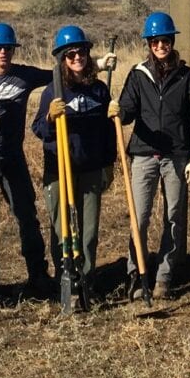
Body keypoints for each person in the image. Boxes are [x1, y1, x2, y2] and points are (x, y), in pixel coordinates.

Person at [115, 11, 190, 301]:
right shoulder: (138, 75)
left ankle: (165, 275)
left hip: (177, 156)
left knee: (174, 216)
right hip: (143, 155)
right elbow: (127, 112)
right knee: (139, 217)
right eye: (155, 41)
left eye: (165, 40)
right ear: (149, 44)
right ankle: (135, 273)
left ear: (171, 41)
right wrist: (117, 111)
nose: (160, 46)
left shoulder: (186, 75)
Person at [31, 24, 116, 308]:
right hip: (60, 169)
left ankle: (87, 278)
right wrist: (50, 118)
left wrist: (109, 164)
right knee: (62, 227)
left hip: (91, 168)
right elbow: (38, 130)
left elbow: (107, 132)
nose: (77, 58)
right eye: (71, 54)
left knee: (89, 229)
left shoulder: (99, 90)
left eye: (82, 52)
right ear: (62, 59)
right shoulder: (54, 91)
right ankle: (64, 276)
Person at [0, 22, 55, 299]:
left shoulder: (24, 76)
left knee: (27, 217)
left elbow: (59, 74)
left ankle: (38, 273)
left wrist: (98, 64)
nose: (2, 53)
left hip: (14, 158)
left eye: (7, 48)